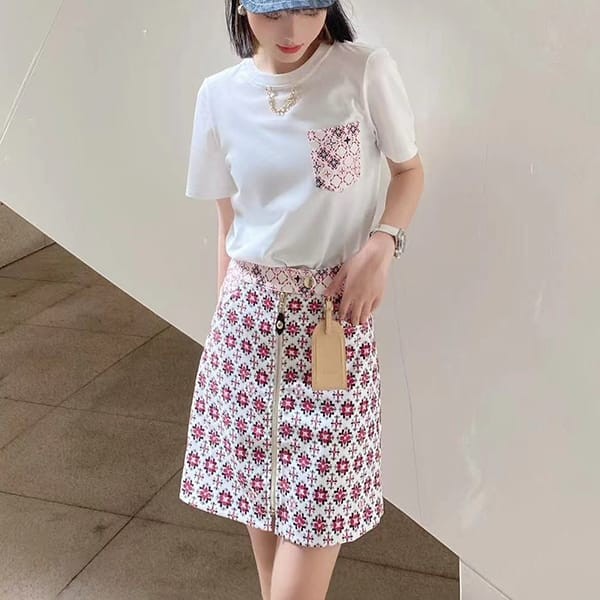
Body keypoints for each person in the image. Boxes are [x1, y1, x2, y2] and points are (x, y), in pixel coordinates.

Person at [179, 1, 425, 598]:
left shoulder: (362, 71)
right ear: (241, 6)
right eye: (272, 13)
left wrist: (382, 244)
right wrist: (221, 348)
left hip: (331, 330)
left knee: (299, 571)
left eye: (309, 9)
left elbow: (410, 172)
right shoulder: (218, 96)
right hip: (244, 336)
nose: (292, 31)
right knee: (272, 579)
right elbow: (228, 229)